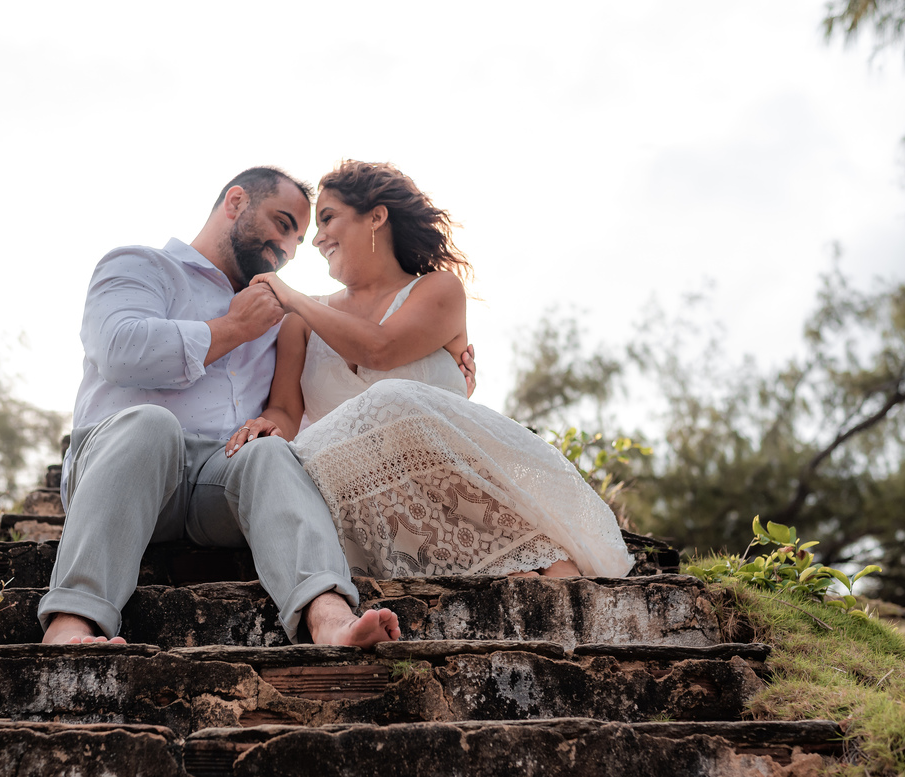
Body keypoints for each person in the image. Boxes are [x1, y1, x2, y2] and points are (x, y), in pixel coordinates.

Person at [39, 166, 433, 648]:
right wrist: (232, 329)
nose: (289, 249)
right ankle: (72, 621)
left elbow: (307, 405)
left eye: (298, 238)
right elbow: (121, 349)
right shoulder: (139, 266)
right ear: (236, 202)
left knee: (270, 452)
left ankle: (329, 617)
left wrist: (439, 371)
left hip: (216, 481)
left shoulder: (278, 311)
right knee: (152, 425)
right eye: (283, 223)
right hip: (122, 465)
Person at [225, 161, 634, 580]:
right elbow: (287, 413)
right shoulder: (300, 323)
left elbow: (379, 349)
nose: (316, 238)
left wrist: (294, 299)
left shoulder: (438, 289)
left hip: (457, 494)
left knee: (549, 578)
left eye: (328, 218)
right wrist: (266, 426)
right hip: (363, 504)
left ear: (376, 217)